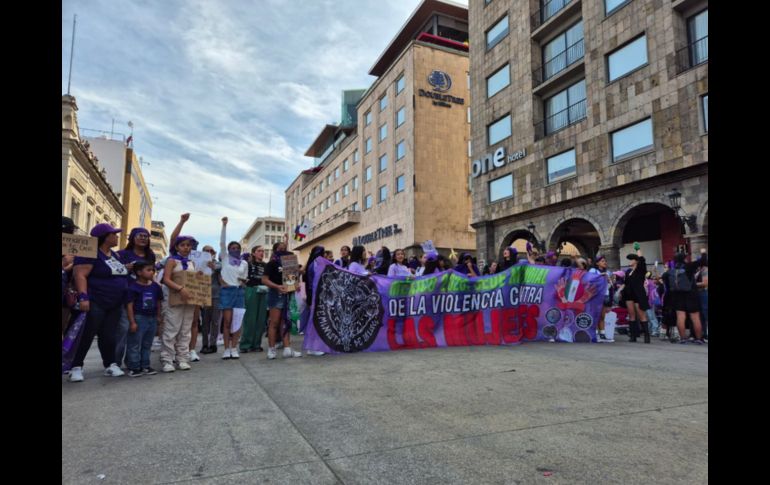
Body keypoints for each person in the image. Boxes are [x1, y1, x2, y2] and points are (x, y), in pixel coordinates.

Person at [68, 223, 130, 382]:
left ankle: (110, 364)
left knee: (109, 335)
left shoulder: (115, 256)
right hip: (96, 301)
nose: (116, 236)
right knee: (87, 335)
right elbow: (80, 274)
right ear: (104, 237)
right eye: (113, 234)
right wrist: (84, 297)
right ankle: (76, 367)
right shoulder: (91, 253)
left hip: (114, 303)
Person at [116, 227, 157, 369]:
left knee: (139, 333)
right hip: (126, 295)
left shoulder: (150, 255)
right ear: (132, 237)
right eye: (140, 235)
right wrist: (124, 268)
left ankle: (134, 362)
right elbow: (113, 271)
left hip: (143, 300)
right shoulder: (121, 254)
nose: (144, 238)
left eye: (146, 236)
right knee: (123, 329)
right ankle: (115, 363)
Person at [161, 235, 198, 372]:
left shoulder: (192, 263)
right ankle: (167, 359)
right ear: (176, 247)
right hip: (174, 298)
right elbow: (165, 279)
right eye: (182, 245)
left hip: (188, 301)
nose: (186, 248)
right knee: (171, 329)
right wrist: (180, 288)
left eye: (188, 245)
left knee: (185, 329)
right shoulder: (171, 261)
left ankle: (182, 358)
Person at [262, 242, 302, 359]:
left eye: (285, 249)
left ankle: (287, 348)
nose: (283, 251)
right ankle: (271, 349)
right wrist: (277, 286)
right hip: (276, 295)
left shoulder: (289, 262)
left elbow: (293, 280)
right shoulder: (271, 264)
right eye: (280, 249)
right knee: (274, 322)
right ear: (275, 250)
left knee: (286, 322)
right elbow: (264, 280)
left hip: (288, 295)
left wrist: (296, 285)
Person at [124, 260, 163, 377]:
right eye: (149, 270)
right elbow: (129, 305)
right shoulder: (133, 287)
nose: (152, 272)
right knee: (134, 343)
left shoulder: (155, 286)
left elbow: (159, 302)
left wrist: (159, 316)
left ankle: (145, 365)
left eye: (153, 270)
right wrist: (132, 322)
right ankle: (134, 366)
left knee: (147, 343)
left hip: (152, 317)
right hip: (139, 318)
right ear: (139, 272)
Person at [218, 217, 248, 359]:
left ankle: (234, 347)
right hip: (227, 292)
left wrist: (243, 282)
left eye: (237, 248)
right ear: (229, 249)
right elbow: (222, 243)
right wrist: (224, 226)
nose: (235, 250)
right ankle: (226, 349)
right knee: (227, 321)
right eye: (233, 248)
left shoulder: (244, 263)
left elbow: (245, 278)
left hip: (239, 292)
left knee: (237, 321)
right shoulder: (224, 258)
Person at [666, 252, 705, 344]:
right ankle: (698, 339)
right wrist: (703, 253)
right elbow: (703, 261)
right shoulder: (689, 266)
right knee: (695, 317)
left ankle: (683, 338)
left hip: (678, 295)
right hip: (691, 294)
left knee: (680, 317)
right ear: (684, 259)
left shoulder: (672, 270)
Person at [240, 245, 268, 353]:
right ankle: (245, 344)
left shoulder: (266, 265)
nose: (261, 253)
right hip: (251, 290)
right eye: (259, 251)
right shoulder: (248, 264)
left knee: (261, 319)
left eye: (263, 251)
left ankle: (257, 344)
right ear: (253, 253)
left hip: (264, 291)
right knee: (250, 319)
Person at [622, 245, 651, 343]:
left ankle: (647, 336)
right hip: (628, 294)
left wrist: (638, 249)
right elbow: (625, 283)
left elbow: (642, 260)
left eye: (632, 259)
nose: (630, 261)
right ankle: (633, 335)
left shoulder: (640, 270)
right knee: (631, 315)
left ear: (636, 261)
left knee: (641, 314)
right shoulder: (628, 271)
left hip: (638, 294)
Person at [199, 245, 222, 354]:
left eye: (211, 250)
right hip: (203, 295)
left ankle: (213, 344)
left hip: (217, 295)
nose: (208, 252)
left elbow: (221, 268)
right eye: (206, 250)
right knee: (205, 321)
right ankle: (204, 344)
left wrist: (213, 266)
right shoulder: (199, 264)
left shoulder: (217, 263)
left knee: (215, 321)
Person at [589, 255, 613, 342]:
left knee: (602, 316)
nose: (605, 262)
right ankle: (594, 334)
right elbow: (589, 279)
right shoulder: (593, 270)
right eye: (602, 261)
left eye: (605, 261)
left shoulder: (608, 272)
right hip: (595, 295)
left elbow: (610, 285)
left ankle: (602, 335)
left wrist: (609, 281)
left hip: (604, 294)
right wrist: (601, 276)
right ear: (597, 263)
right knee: (596, 315)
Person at [695, 252, 708, 341]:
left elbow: (705, 283)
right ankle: (703, 333)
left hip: (704, 293)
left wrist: (693, 284)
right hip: (700, 294)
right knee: (702, 315)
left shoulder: (705, 270)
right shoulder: (700, 270)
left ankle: (706, 334)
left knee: (705, 313)